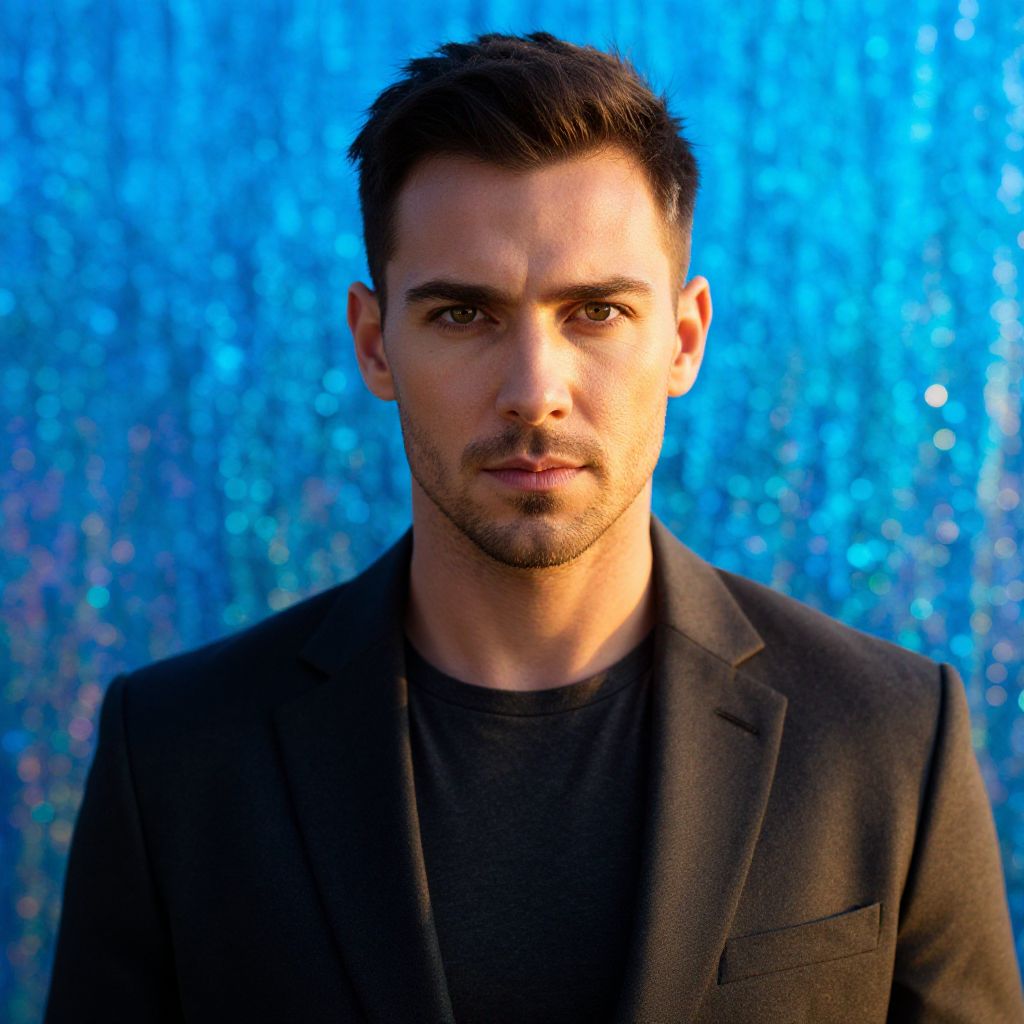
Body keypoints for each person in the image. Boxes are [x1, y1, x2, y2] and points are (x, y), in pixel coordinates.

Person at [45, 30, 1022, 1024]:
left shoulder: (887, 738)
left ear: (682, 338)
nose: (533, 393)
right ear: (374, 343)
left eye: (594, 312)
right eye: (463, 316)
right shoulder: (175, 757)